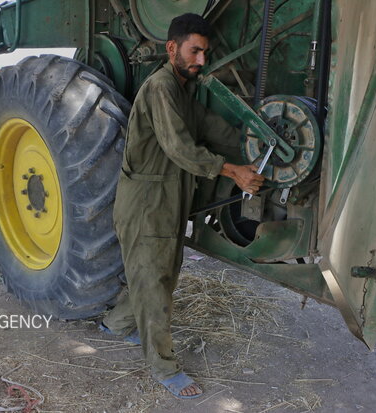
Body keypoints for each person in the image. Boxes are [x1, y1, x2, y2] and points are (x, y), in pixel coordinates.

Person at [101, 13, 265, 399]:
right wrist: (232, 172)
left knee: (158, 275)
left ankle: (115, 325)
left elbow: (208, 127)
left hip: (167, 199)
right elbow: (179, 148)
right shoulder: (161, 88)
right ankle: (163, 367)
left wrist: (253, 142)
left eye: (205, 53)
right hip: (147, 202)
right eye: (195, 51)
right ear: (171, 47)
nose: (201, 61)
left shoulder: (182, 91)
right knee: (154, 282)